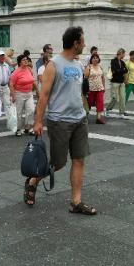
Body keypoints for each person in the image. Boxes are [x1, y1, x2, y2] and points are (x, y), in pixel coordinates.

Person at [25, 26, 97, 215]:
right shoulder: (54, 65)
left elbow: (77, 91)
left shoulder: (78, 65)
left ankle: (76, 202)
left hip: (79, 119)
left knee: (79, 160)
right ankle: (33, 181)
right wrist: (38, 121)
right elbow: (44, 95)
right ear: (75, 43)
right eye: (83, 42)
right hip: (59, 121)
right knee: (58, 164)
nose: (85, 45)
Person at [10, 54, 36, 136]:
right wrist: (13, 96)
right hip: (19, 94)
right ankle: (18, 129)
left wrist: (37, 90)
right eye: (24, 60)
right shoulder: (16, 72)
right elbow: (11, 84)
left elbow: (32, 80)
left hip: (29, 93)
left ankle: (28, 127)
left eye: (26, 59)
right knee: (19, 113)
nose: (26, 61)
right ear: (19, 62)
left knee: (31, 110)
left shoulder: (29, 69)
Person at [84, 53, 106, 124]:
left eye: (97, 58)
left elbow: (103, 78)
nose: (95, 59)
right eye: (94, 58)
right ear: (91, 59)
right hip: (91, 89)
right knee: (89, 103)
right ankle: (85, 116)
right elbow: (85, 78)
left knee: (100, 102)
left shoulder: (100, 67)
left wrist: (104, 87)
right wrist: (85, 89)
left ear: (99, 59)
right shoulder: (89, 67)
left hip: (100, 88)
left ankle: (99, 118)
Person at [106, 48, 128, 116]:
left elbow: (126, 70)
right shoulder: (113, 61)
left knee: (122, 97)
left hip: (121, 82)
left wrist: (119, 70)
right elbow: (114, 71)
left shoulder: (122, 62)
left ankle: (122, 112)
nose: (124, 55)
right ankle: (108, 109)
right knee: (114, 98)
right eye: (124, 54)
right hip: (115, 82)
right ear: (121, 53)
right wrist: (121, 70)